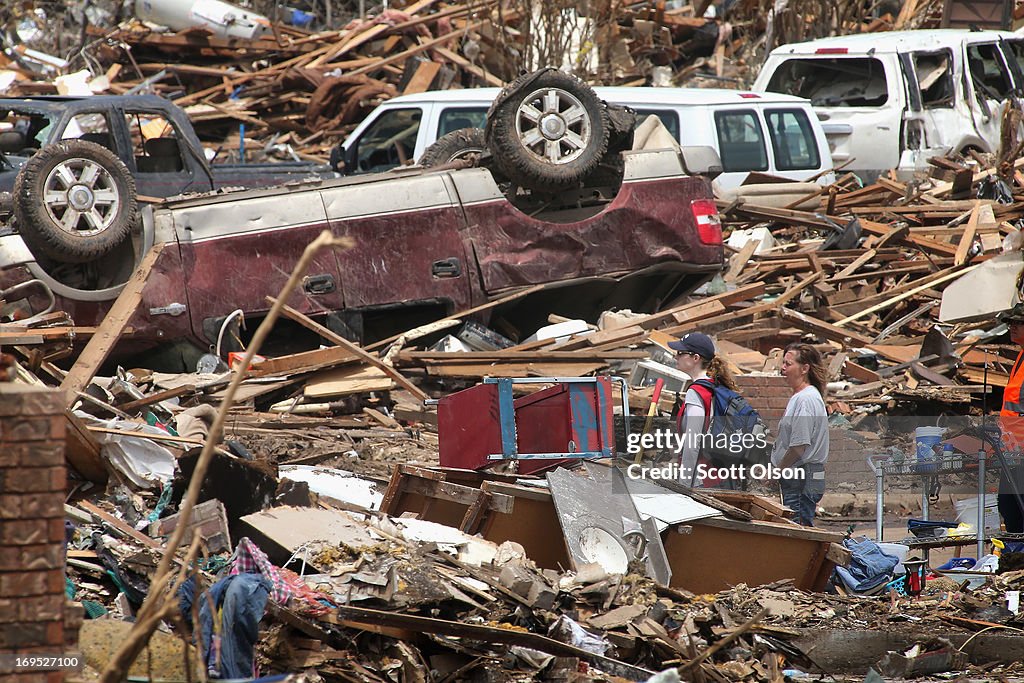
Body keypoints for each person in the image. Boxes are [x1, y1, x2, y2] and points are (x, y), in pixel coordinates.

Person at [668, 332, 738, 488]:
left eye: (680, 353)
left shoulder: (696, 392)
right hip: (717, 475)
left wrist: (684, 484)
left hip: (701, 479)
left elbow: (693, 441)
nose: (676, 357)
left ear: (695, 358)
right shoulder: (714, 386)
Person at [771, 343, 829, 526]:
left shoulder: (805, 399)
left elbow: (799, 446)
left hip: (801, 478)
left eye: (788, 364)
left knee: (798, 529)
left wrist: (776, 471)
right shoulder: (802, 397)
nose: (782, 368)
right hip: (801, 476)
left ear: (804, 369)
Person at [998, 303, 1024, 533]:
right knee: (1009, 508)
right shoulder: (1021, 356)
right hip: (1013, 449)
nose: (1012, 327)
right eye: (1010, 323)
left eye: (1018, 323)